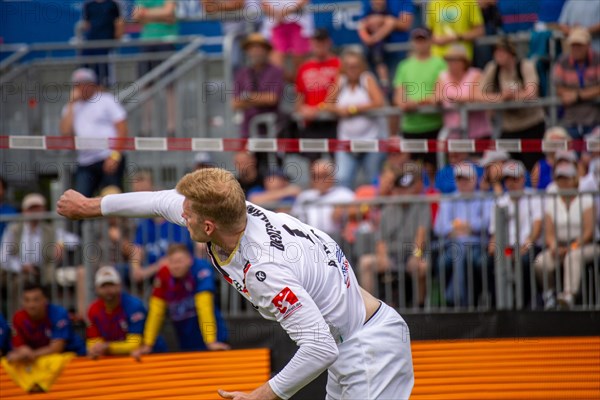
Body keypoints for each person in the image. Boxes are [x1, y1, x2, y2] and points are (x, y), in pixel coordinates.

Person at [56, 167, 415, 399]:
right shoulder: (235, 214)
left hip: (367, 350)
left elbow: (320, 348)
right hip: (355, 340)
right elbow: (159, 200)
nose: (181, 215)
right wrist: (91, 206)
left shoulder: (265, 270)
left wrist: (259, 395)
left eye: (188, 213)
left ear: (207, 226)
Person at [132, 244, 229, 356]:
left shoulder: (200, 268)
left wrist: (211, 341)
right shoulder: (164, 274)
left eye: (180, 261)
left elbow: (204, 307)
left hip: (215, 340)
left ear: (189, 260)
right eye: (172, 261)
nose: (176, 266)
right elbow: (156, 312)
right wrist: (148, 345)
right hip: (186, 341)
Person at [358, 168, 431, 307]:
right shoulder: (387, 210)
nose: (403, 192)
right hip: (391, 255)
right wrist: (382, 256)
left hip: (411, 253)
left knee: (422, 266)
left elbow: (421, 235)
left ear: (413, 189)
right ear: (395, 190)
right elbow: (380, 239)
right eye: (400, 189)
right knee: (365, 263)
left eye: (407, 188)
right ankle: (369, 309)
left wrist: (416, 256)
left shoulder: (421, 206)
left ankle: (420, 309)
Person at [534, 163, 599, 309]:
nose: (563, 183)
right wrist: (554, 246)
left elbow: (589, 232)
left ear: (574, 180)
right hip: (560, 246)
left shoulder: (586, 199)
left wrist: (573, 246)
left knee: (573, 256)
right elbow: (549, 232)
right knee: (540, 262)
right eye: (560, 179)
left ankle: (569, 296)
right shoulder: (553, 202)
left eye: (567, 179)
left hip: (585, 245)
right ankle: (549, 295)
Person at [322, 49, 386, 189]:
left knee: (373, 180)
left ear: (362, 66)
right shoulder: (341, 80)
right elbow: (327, 104)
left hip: (371, 141)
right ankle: (345, 211)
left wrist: (354, 109)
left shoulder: (367, 79)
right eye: (348, 66)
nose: (352, 69)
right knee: (342, 180)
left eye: (355, 66)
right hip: (346, 143)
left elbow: (379, 102)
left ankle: (374, 210)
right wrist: (338, 110)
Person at [479, 37, 546, 170]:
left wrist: (512, 95)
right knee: (507, 168)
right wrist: (501, 97)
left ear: (511, 53)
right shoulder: (493, 68)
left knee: (532, 167)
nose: (498, 55)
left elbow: (532, 92)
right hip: (509, 128)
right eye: (496, 52)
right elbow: (478, 94)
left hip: (531, 125)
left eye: (502, 51)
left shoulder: (526, 66)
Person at [59, 68, 128, 197]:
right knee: (80, 200)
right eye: (77, 84)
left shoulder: (106, 100)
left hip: (107, 156)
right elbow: (65, 132)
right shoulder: (71, 107)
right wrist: (71, 104)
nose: (80, 87)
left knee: (112, 199)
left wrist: (115, 155)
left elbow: (122, 129)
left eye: (84, 83)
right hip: (85, 161)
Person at [434, 162, 492, 307]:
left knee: (474, 259)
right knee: (443, 262)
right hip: (452, 245)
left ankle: (456, 300)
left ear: (475, 179)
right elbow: (439, 227)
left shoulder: (485, 197)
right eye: (460, 179)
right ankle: (460, 300)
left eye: (467, 178)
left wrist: (463, 226)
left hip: (478, 245)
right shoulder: (448, 198)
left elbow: (487, 222)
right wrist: (466, 227)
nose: (463, 182)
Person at [488, 160, 543, 308]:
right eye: (507, 178)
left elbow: (537, 228)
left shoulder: (534, 197)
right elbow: (494, 234)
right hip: (507, 248)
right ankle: (496, 308)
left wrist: (526, 246)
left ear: (523, 179)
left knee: (524, 261)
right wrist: (494, 248)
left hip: (528, 246)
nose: (511, 182)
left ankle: (523, 306)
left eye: (515, 178)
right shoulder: (500, 201)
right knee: (488, 262)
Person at [394, 28, 446, 178]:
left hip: (433, 126)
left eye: (423, 39)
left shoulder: (439, 63)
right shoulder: (404, 65)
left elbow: (439, 94)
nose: (420, 43)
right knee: (410, 174)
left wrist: (416, 103)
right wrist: (405, 103)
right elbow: (399, 95)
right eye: (417, 40)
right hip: (410, 127)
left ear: (430, 41)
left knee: (433, 172)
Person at [86, 266, 166, 358]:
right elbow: (92, 343)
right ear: (96, 289)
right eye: (103, 286)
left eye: (111, 284)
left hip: (151, 354)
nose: (108, 290)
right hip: (118, 359)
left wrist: (108, 347)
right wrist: (95, 349)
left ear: (119, 286)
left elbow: (134, 344)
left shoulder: (133, 305)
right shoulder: (93, 310)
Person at [233, 33, 285, 172]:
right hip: (247, 131)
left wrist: (248, 98)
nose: (255, 51)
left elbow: (272, 98)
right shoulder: (242, 73)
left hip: (271, 132)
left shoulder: (275, 71)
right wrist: (259, 98)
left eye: (258, 47)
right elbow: (235, 103)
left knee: (273, 173)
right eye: (251, 48)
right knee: (244, 168)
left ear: (266, 50)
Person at [1, 193, 79, 284]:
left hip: (43, 274)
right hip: (18, 274)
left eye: (38, 208)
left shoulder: (49, 229)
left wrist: (61, 244)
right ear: (24, 211)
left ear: (44, 209)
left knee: (52, 278)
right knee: (20, 282)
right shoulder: (13, 230)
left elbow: (75, 240)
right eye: (31, 208)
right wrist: (21, 267)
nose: (35, 211)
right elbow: (3, 258)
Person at [6, 283, 85, 363]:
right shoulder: (18, 317)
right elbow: (19, 347)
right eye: (27, 300)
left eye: (35, 300)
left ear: (45, 300)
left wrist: (30, 354)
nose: (31, 305)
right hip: (43, 363)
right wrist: (23, 351)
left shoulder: (59, 314)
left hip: (75, 358)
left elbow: (57, 348)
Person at [132, 0, 178, 136]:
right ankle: (146, 127)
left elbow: (169, 12)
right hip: (147, 42)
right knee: (146, 85)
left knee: (169, 85)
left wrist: (146, 14)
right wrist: (160, 14)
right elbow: (136, 16)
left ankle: (171, 126)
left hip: (166, 41)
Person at [295, 29, 341, 163]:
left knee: (336, 163)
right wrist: (301, 109)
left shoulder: (339, 64)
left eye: (322, 42)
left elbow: (339, 92)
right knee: (313, 164)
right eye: (316, 42)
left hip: (333, 121)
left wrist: (319, 109)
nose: (319, 45)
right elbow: (299, 96)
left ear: (329, 43)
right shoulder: (304, 67)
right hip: (311, 123)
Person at [434, 43, 492, 140]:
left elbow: (478, 97)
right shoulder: (442, 76)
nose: (451, 63)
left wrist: (456, 98)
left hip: (477, 133)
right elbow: (436, 97)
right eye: (449, 60)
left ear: (464, 62)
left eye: (455, 60)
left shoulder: (476, 74)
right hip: (453, 134)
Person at [553, 27, 600, 139]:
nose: (575, 48)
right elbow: (558, 88)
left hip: (595, 121)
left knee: (592, 156)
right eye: (573, 45)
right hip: (570, 121)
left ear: (588, 45)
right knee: (567, 155)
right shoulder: (562, 61)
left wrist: (577, 96)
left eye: (579, 45)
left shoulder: (597, 59)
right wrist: (588, 93)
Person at [291, 159, 355, 236]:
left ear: (332, 176)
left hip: (336, 239)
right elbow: (295, 219)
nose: (319, 179)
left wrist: (344, 214)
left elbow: (356, 215)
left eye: (323, 175)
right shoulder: (304, 196)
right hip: (309, 238)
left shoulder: (345, 194)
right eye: (315, 176)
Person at [358, 0, 414, 89]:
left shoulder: (402, 2)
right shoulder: (367, 4)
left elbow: (405, 23)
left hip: (397, 54)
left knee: (396, 89)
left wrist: (384, 21)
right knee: (375, 88)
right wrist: (368, 39)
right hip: (372, 53)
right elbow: (362, 24)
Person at [260, 0, 314, 79]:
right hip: (276, 25)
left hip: (300, 24)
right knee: (275, 63)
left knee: (299, 60)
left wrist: (285, 12)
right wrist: (278, 14)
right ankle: (286, 84)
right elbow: (264, 4)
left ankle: (298, 85)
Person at [80, 0, 124, 87]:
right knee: (86, 69)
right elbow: (86, 24)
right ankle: (88, 89)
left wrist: (116, 39)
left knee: (104, 72)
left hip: (106, 43)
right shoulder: (89, 5)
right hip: (91, 43)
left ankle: (104, 89)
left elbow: (119, 22)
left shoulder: (112, 4)